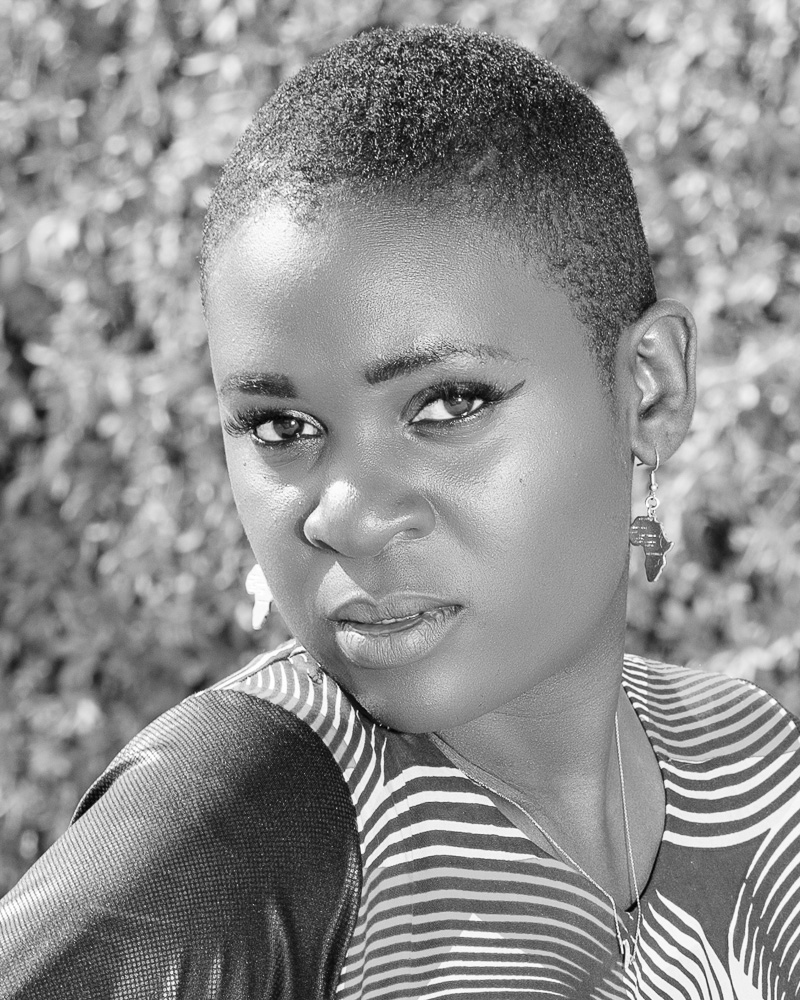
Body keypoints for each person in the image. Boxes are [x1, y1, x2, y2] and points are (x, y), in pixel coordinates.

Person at [2, 23, 799, 1000]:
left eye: (447, 404)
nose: (342, 512)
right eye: (278, 424)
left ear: (648, 389)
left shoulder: (749, 765)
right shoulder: (239, 822)